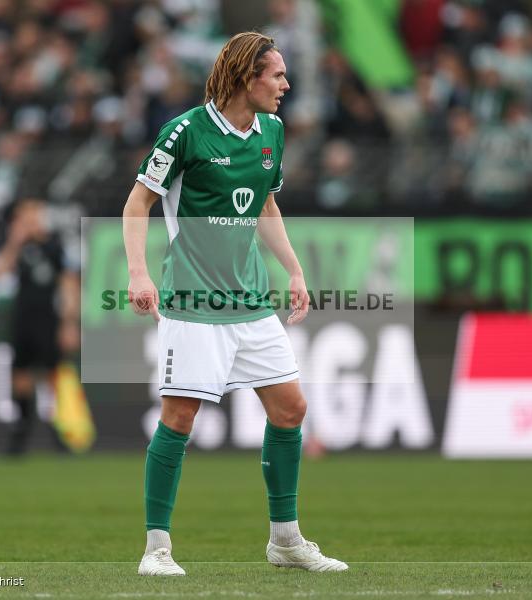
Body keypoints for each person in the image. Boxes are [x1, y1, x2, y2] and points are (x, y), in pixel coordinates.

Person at [122, 31, 348, 576]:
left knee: (291, 408)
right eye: (277, 75)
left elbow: (265, 203)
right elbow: (138, 203)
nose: (286, 85)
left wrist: (293, 269)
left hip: (249, 302)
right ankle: (156, 549)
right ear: (249, 78)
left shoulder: (271, 131)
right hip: (193, 302)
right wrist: (138, 273)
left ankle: (286, 541)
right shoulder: (184, 132)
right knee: (179, 417)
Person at [0, 198, 80, 455]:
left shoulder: (54, 246)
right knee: (20, 374)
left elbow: (68, 284)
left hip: (47, 318)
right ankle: (21, 429)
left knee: (52, 374)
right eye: (24, 217)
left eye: (33, 215)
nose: (29, 221)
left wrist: (68, 323)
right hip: (22, 317)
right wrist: (14, 241)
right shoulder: (18, 247)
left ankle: (59, 429)